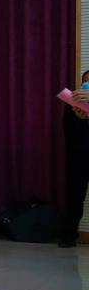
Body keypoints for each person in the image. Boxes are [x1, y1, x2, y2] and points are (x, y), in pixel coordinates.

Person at [60, 71, 89, 248]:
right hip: (79, 156)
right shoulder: (72, 103)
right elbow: (68, 133)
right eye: (85, 83)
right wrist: (80, 116)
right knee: (74, 197)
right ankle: (69, 235)